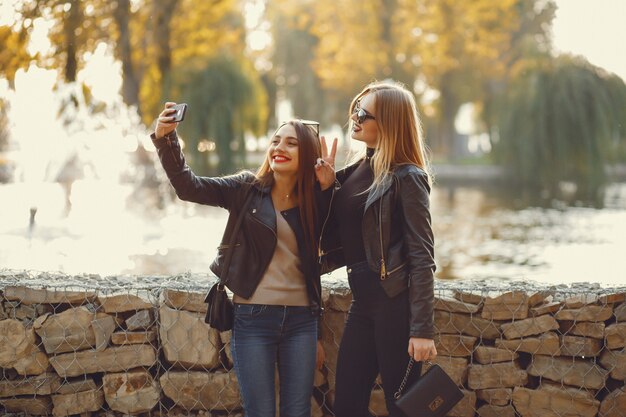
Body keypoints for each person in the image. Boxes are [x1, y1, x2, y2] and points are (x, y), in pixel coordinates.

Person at [151, 102, 337, 417]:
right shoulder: (245, 188)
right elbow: (188, 187)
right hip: (253, 319)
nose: (280, 147)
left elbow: (325, 257)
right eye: (276, 140)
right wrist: (166, 140)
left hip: (302, 322)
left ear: (307, 153)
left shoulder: (315, 199)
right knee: (260, 412)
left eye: (292, 143)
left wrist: (329, 188)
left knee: (297, 411)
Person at [319, 81, 437, 417]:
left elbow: (422, 257)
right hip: (363, 303)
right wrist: (327, 188)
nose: (354, 118)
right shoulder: (357, 170)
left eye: (363, 113)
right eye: (355, 108)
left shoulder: (407, 177)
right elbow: (331, 231)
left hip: (394, 306)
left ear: (387, 122)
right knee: (347, 406)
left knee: (402, 408)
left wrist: (422, 330)